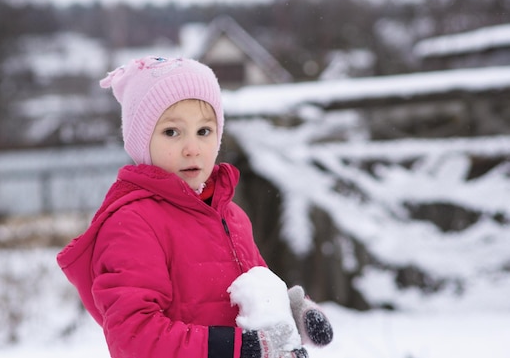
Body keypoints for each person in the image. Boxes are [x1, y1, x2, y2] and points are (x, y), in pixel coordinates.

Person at [57, 56, 332, 358]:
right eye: (172, 132)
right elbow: (135, 337)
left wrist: (290, 313)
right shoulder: (133, 223)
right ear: (141, 142)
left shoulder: (231, 215)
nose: (192, 148)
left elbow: (255, 291)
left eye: (204, 131)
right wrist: (241, 348)